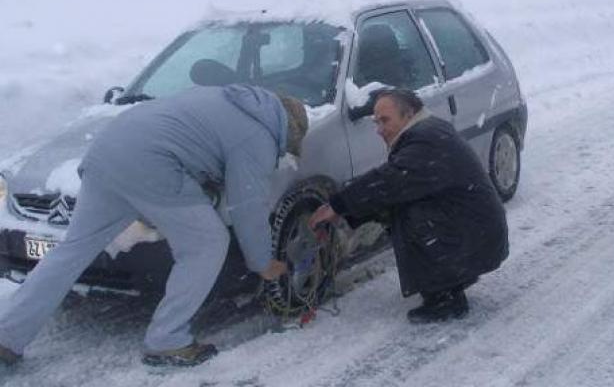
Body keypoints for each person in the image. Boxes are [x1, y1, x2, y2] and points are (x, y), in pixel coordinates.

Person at [0, 83, 308, 367]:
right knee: (207, 242)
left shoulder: (228, 101)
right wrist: (263, 263)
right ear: (289, 131)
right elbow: (247, 207)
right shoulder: (258, 135)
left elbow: (191, 144)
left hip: (107, 151)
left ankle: (7, 336)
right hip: (150, 163)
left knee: (72, 250)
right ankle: (167, 339)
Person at [309, 88, 508, 324]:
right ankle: (452, 282)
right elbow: (393, 185)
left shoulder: (425, 140)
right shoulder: (426, 129)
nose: (379, 130)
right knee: (400, 205)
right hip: (476, 231)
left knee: (409, 216)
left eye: (385, 120)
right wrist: (346, 213)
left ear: (409, 114)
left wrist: (337, 206)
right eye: (376, 122)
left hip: (476, 237)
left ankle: (444, 298)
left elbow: (389, 181)